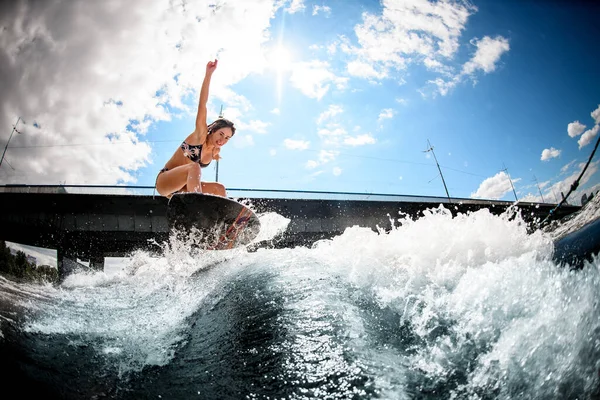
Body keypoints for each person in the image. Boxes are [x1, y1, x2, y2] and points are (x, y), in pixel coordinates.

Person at [156, 59, 236, 198]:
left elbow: (216, 151)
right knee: (194, 167)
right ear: (212, 130)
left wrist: (216, 153)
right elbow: (202, 105)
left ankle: (221, 219)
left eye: (227, 138)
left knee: (219, 189)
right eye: (221, 134)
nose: (222, 140)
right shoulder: (200, 134)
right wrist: (208, 75)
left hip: (185, 190)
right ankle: (197, 206)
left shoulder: (215, 150)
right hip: (166, 182)